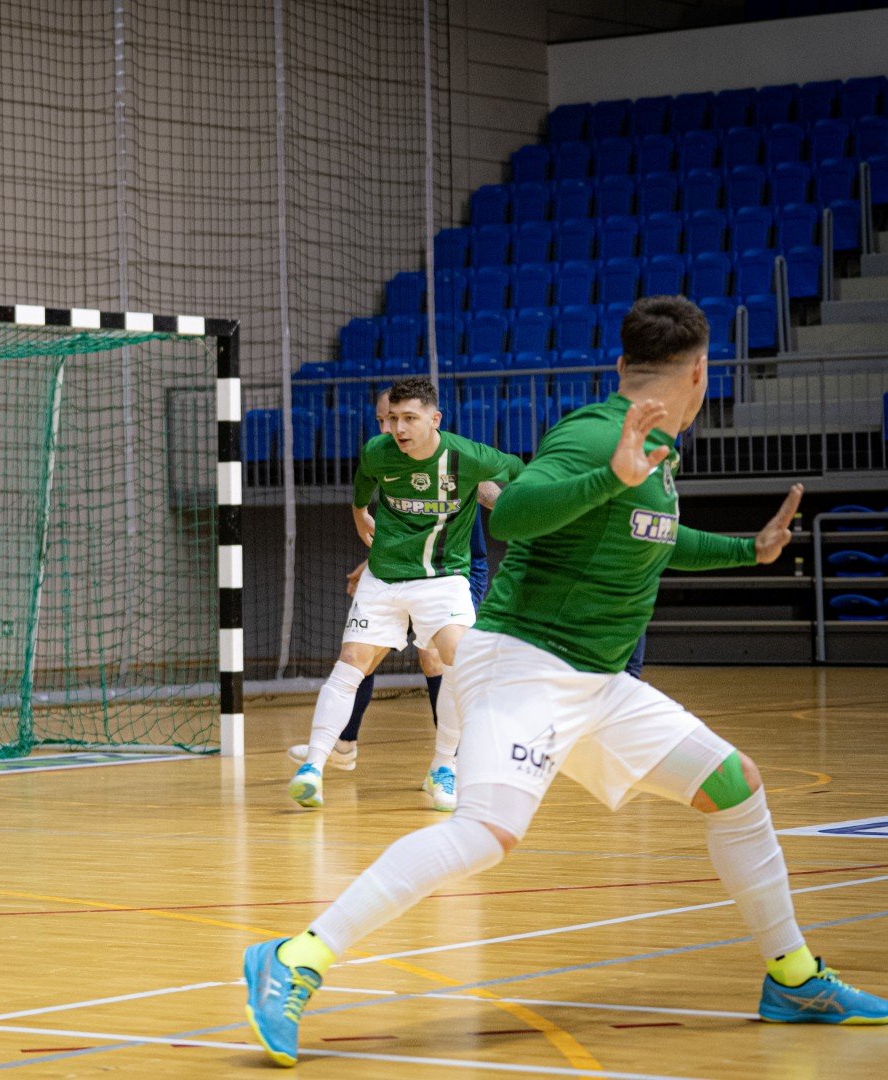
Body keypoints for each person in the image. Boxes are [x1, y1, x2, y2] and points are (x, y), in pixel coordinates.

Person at [244, 296, 887, 1067]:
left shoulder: (653, 452)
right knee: (484, 833)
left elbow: (653, 536)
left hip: (597, 681)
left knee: (735, 786)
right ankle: (294, 958)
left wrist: (746, 549)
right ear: (701, 374)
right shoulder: (596, 436)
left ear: (625, 365)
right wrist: (610, 475)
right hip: (524, 664)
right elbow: (513, 512)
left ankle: (794, 979)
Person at [288, 377, 523, 812]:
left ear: (434, 420)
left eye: (409, 418)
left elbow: (516, 470)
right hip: (385, 579)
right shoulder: (378, 452)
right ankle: (314, 768)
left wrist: (532, 506)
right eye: (392, 418)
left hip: (442, 579)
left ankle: (444, 766)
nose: (398, 428)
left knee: (457, 660)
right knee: (351, 663)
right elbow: (363, 483)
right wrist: (359, 513)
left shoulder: (467, 457)